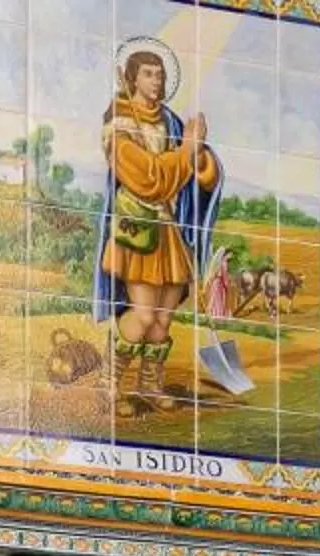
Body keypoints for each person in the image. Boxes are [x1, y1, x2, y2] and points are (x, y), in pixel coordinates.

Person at [91, 41, 221, 415]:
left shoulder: (171, 123)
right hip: (138, 229)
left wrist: (201, 156)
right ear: (132, 78)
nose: (157, 81)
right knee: (144, 314)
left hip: (167, 229)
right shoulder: (119, 126)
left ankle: (149, 384)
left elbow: (202, 174)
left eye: (160, 75)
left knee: (163, 318)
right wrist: (187, 151)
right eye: (148, 74)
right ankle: (108, 383)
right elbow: (149, 180)